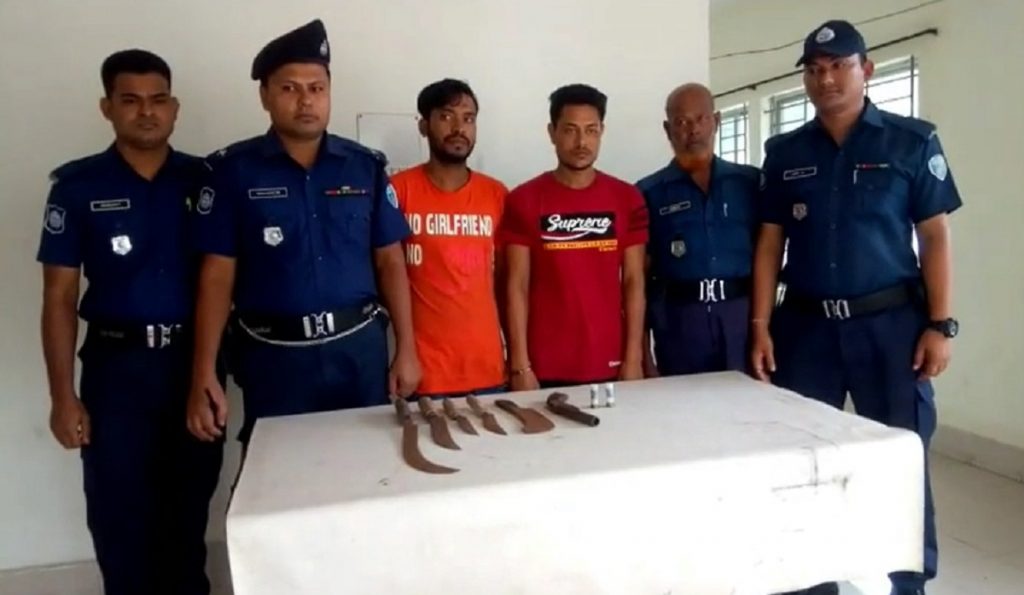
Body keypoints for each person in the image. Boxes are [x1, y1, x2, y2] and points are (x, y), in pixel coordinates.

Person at [751, 20, 961, 595]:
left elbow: (935, 236)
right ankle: (810, 580)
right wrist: (760, 325)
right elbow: (770, 244)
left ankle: (908, 583)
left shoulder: (911, 142)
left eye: (839, 67)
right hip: (805, 330)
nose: (826, 80)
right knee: (802, 462)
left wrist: (940, 325)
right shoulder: (785, 153)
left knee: (899, 460)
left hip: (890, 329)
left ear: (865, 70)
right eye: (815, 70)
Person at [36, 50, 222, 595]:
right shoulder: (78, 187)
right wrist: (63, 396)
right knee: (119, 515)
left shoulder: (204, 181)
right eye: (131, 100)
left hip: (192, 365)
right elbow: (59, 296)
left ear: (175, 107)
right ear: (107, 108)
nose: (146, 112)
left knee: (188, 509)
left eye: (158, 100)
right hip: (116, 371)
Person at [186, 19, 420, 445]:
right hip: (275, 358)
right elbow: (217, 276)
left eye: (317, 88)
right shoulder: (232, 172)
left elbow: (390, 261)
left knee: (366, 468)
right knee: (275, 474)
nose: (306, 100)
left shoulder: (364, 167)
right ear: (265, 96)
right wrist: (204, 372)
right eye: (289, 88)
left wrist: (407, 347)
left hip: (357, 353)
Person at [499, 84, 648, 390]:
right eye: (570, 130)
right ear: (552, 132)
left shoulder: (627, 198)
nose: (582, 142)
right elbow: (516, 286)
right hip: (543, 366)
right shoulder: (523, 200)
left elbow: (634, 281)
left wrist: (633, 358)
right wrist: (519, 365)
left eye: (591, 130)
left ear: (602, 131)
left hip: (610, 361)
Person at [391, 79, 508, 397]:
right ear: (423, 126)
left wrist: (518, 360)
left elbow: (508, 284)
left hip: (488, 371)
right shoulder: (398, 191)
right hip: (423, 374)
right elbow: (386, 277)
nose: (459, 128)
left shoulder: (496, 194)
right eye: (446, 116)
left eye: (468, 118)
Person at [637, 83, 760, 377]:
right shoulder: (648, 192)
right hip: (679, 322)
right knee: (683, 403)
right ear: (667, 130)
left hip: (740, 318)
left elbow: (768, 255)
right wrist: (642, 354)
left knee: (747, 402)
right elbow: (637, 278)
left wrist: (762, 325)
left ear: (716, 121)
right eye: (681, 122)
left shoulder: (749, 183)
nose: (692, 130)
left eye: (701, 118)